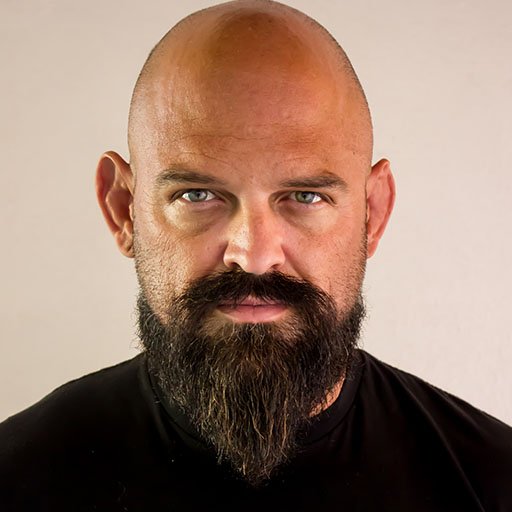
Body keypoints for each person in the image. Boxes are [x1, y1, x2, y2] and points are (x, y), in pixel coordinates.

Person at [1, 0, 511, 510]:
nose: (254, 255)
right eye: (197, 195)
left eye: (305, 196)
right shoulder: (15, 479)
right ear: (123, 211)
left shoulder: (494, 481)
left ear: (372, 214)